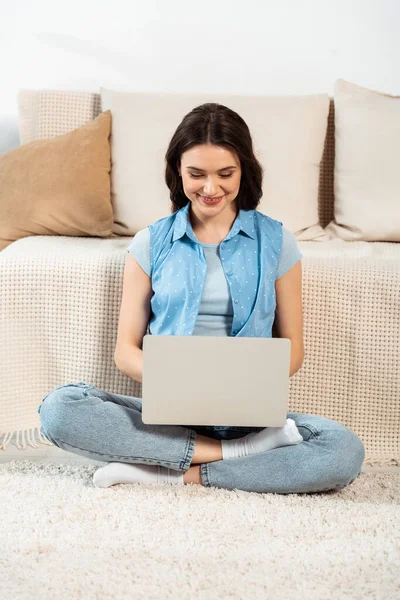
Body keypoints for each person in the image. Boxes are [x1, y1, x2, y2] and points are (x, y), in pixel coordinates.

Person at [37, 102, 365, 493]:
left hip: (249, 414)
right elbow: (125, 351)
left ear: (245, 170)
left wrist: (236, 383)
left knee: (342, 450)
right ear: (178, 170)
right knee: (60, 409)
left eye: (226, 174)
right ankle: (238, 454)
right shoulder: (151, 242)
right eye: (197, 174)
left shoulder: (277, 242)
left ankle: (172, 468)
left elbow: (293, 350)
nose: (211, 189)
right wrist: (184, 380)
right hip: (168, 414)